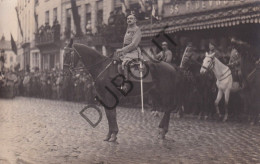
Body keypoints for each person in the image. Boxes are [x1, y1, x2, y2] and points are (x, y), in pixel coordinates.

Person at [116, 14, 142, 91]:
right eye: (128, 19)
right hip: (126, 52)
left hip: (133, 52)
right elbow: (125, 43)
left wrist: (122, 50)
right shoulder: (128, 29)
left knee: (126, 64)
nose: (129, 20)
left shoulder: (137, 29)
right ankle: (119, 82)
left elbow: (134, 44)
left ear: (135, 20)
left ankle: (126, 85)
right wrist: (121, 51)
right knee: (116, 63)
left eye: (131, 18)